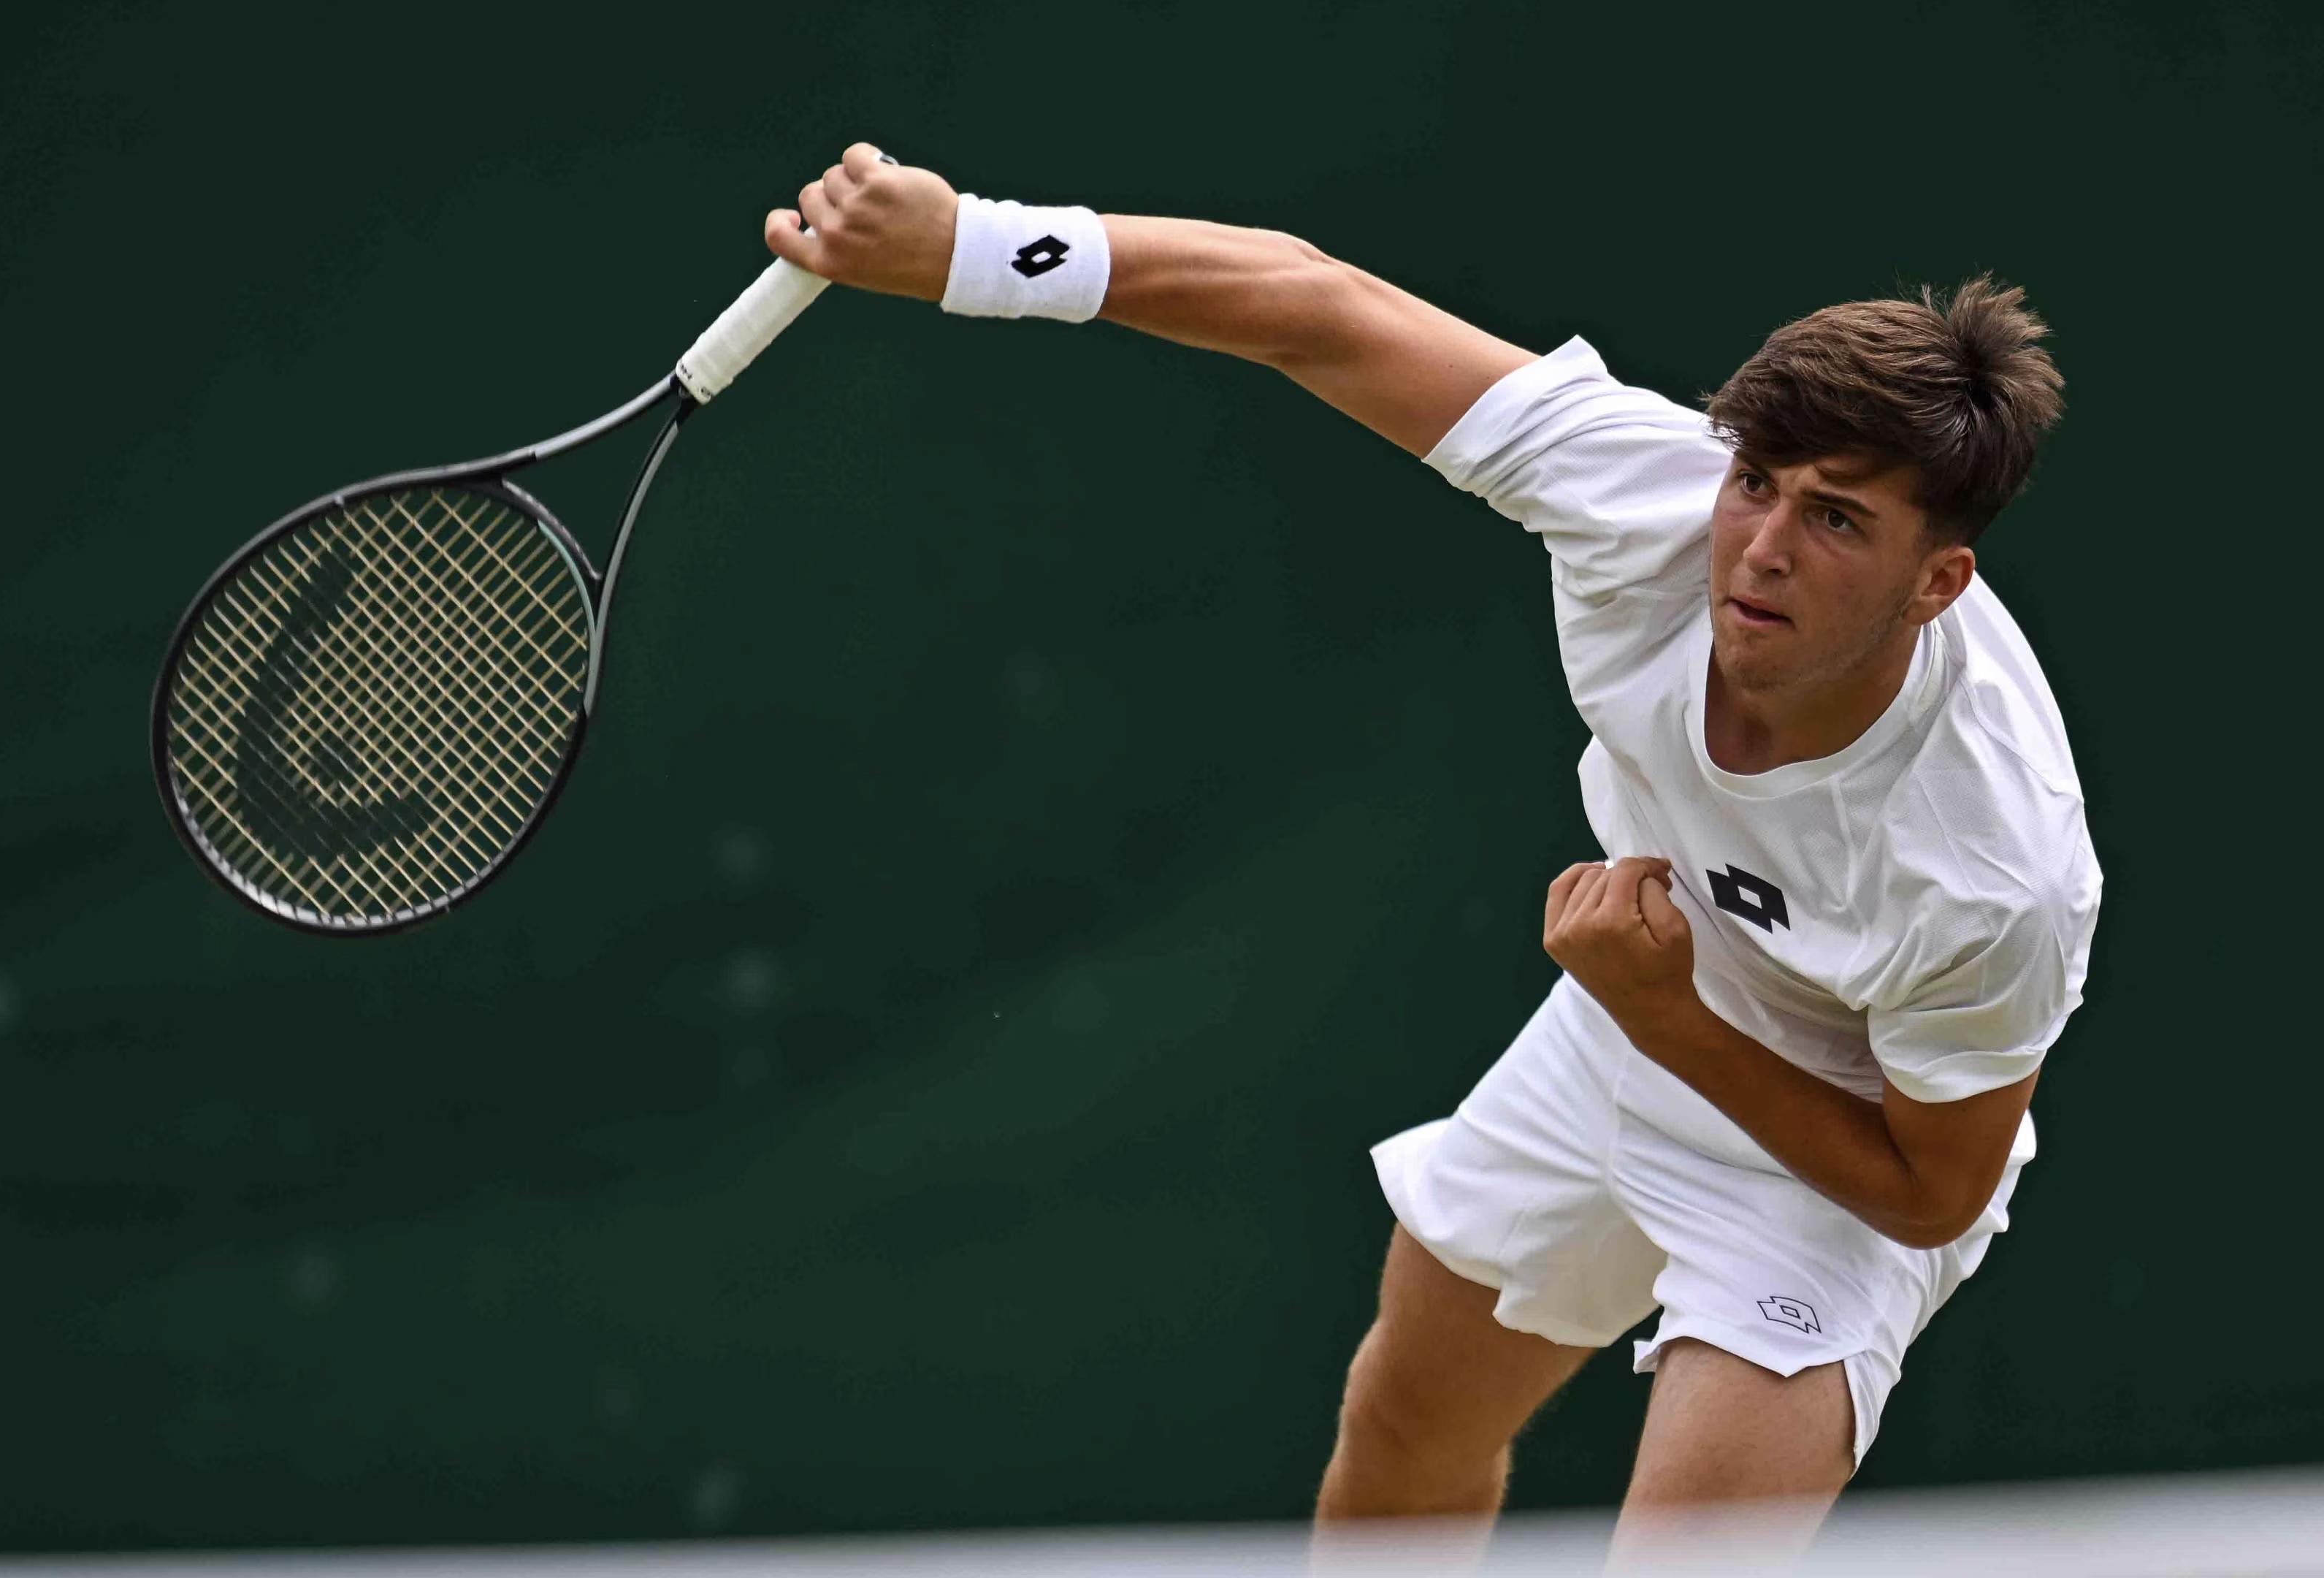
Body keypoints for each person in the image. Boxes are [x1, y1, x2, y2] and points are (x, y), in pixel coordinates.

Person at [764, 144, 2102, 1547]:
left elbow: (1930, 1190)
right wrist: (974, 245)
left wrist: (1673, 1017)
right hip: (1633, 1018)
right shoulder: (1645, 495)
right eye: (1755, 481)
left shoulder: (1995, 870)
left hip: (1828, 1154)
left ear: (1938, 581)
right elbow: (1314, 306)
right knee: (1406, 1427)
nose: (1762, 546)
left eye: (1835, 518)